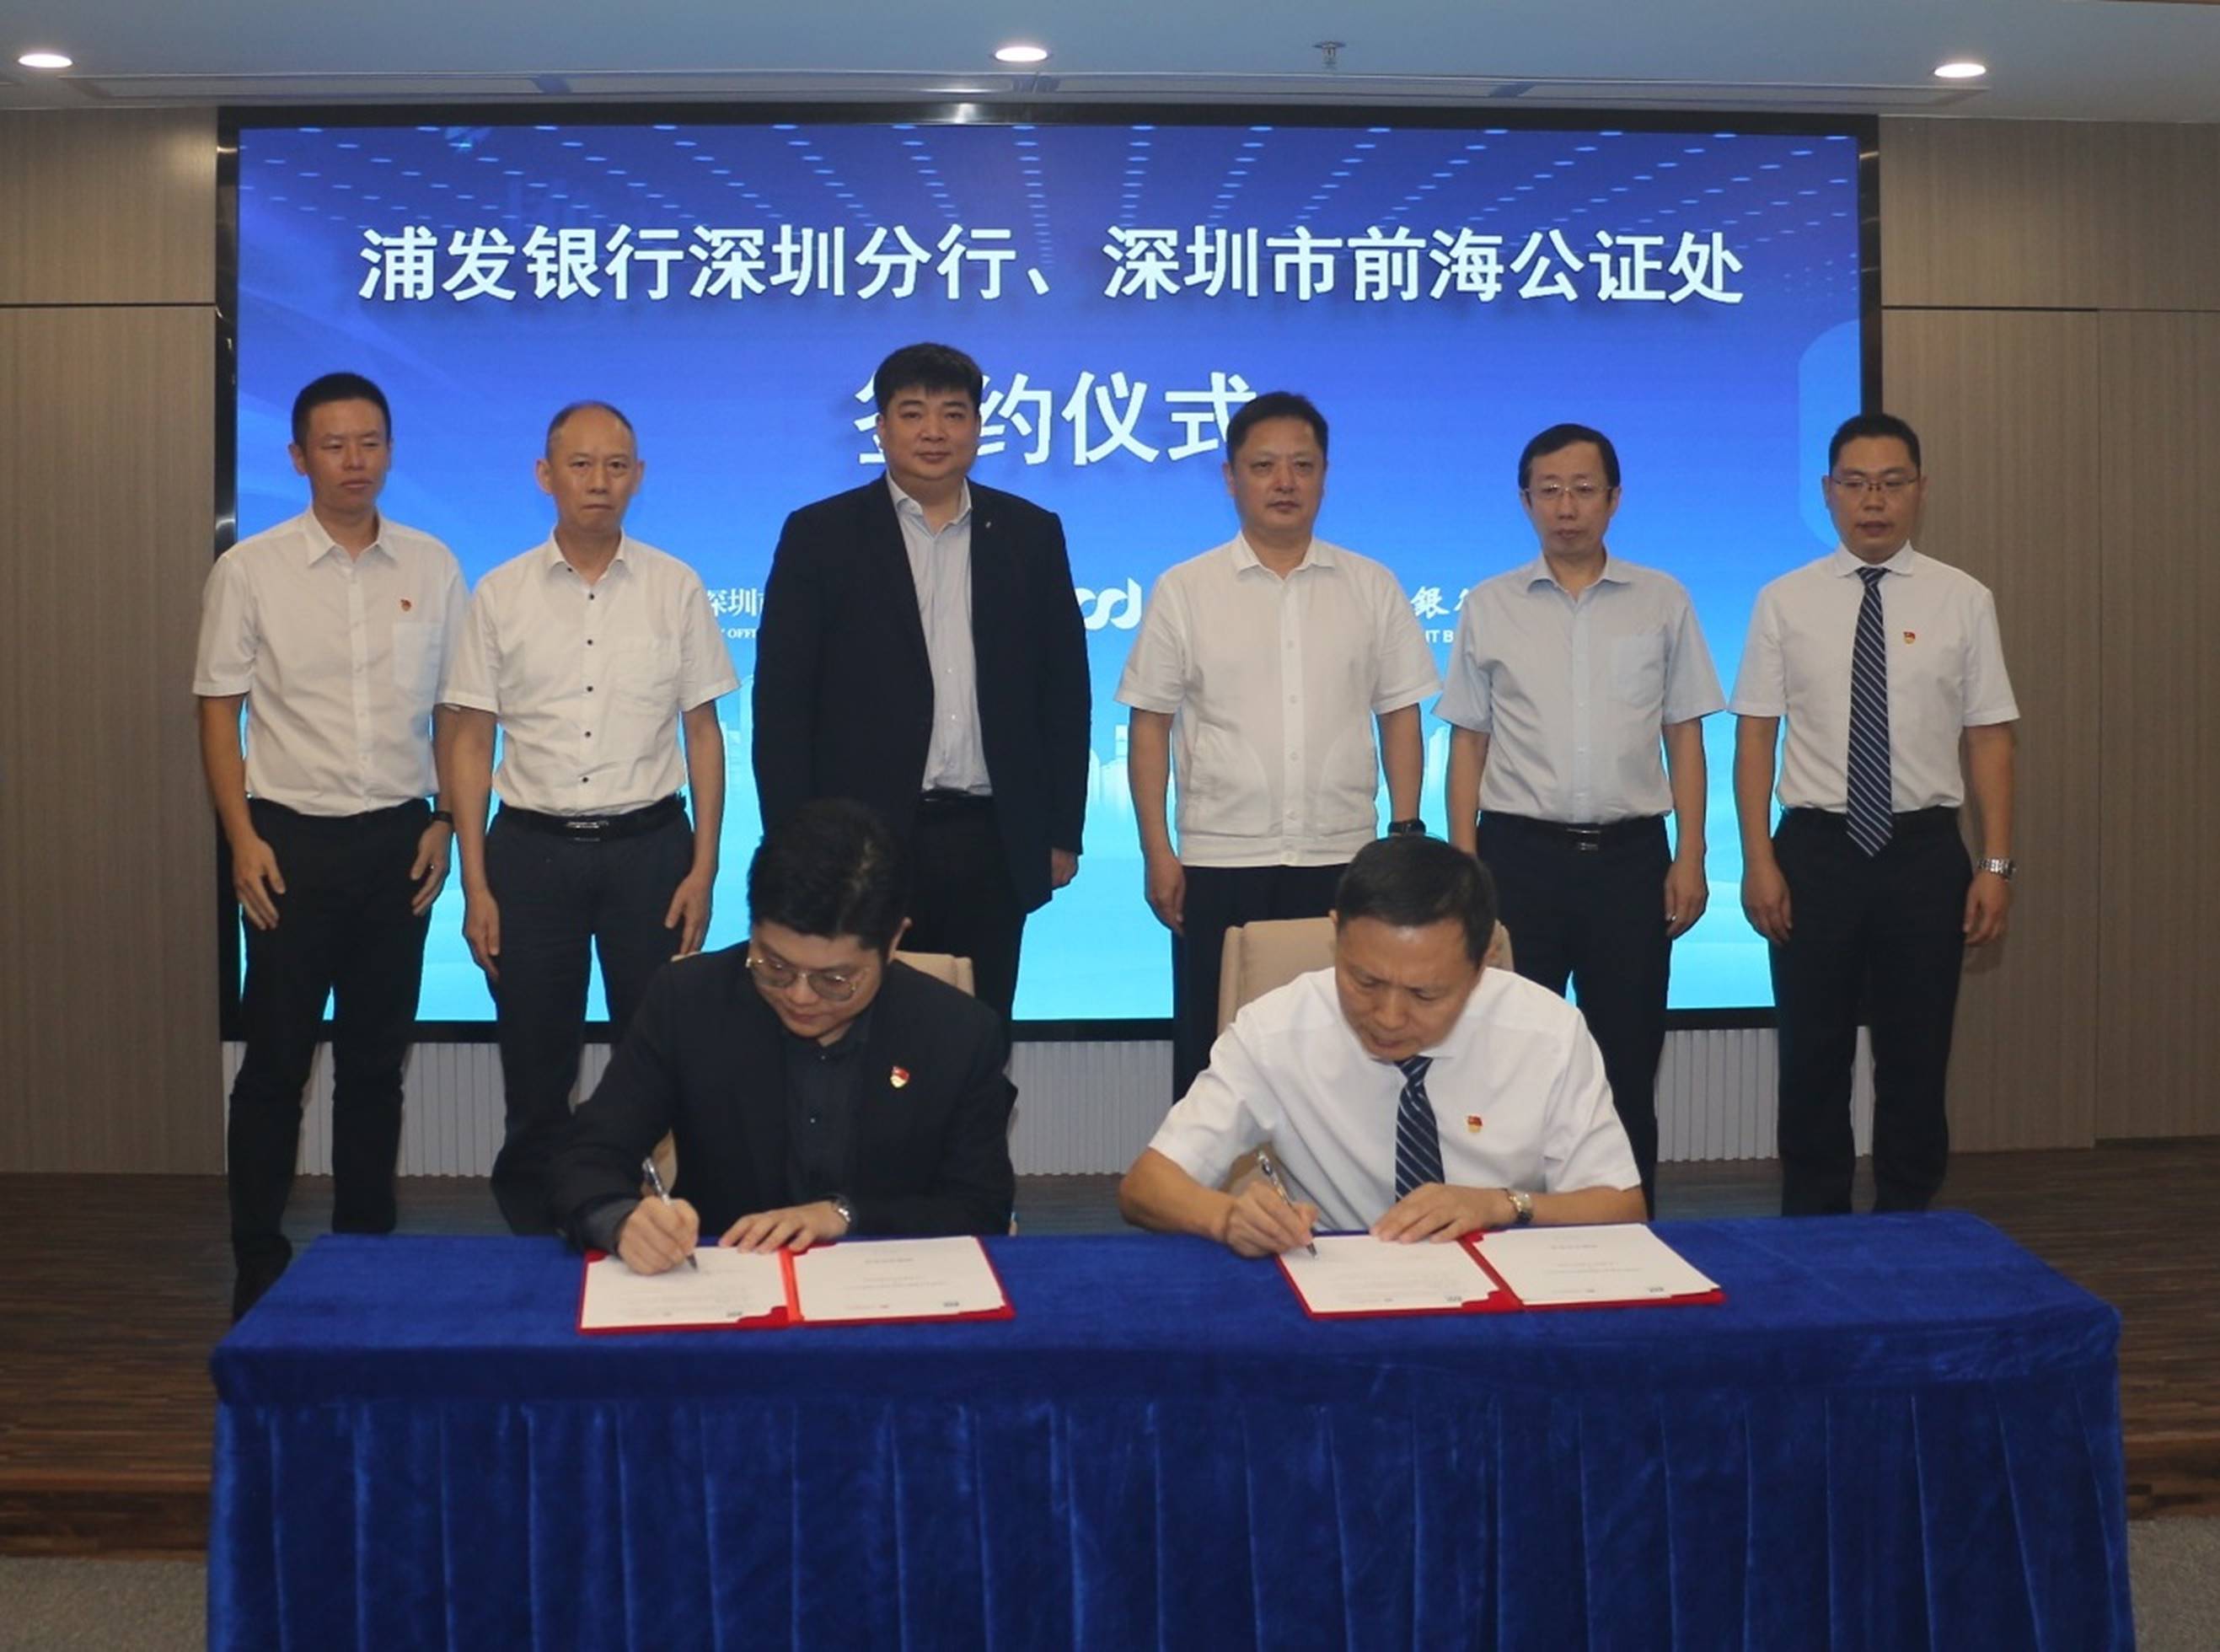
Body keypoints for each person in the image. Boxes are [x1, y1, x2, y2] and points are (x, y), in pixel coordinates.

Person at [194, 371, 468, 1317]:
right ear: (299, 456)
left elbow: (455, 710)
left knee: (375, 1068)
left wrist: (445, 820)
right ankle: (257, 1262)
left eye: (371, 442)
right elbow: (218, 710)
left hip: (399, 841)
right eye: (335, 445)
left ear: (390, 449)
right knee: (275, 1067)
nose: (356, 462)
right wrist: (240, 839)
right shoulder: (251, 569)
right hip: (287, 845)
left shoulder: (432, 564)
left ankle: (364, 1256)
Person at [438, 401, 738, 1234]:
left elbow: (704, 734)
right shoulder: (500, 593)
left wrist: (704, 868)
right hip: (529, 856)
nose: (599, 481)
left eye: (616, 465)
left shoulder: (676, 586)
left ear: (638, 476)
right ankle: (539, 1240)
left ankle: (659, 1228)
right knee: (536, 1069)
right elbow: (471, 740)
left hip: (652, 852)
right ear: (546, 475)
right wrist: (475, 884)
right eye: (580, 464)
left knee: (662, 1057)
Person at [752, 342, 1091, 1023]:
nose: (934, 432)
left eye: (953, 414)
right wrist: (797, 844)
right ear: (881, 427)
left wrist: (1060, 829)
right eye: (912, 413)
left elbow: (1063, 690)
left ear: (978, 427)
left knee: (978, 1031)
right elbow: (784, 705)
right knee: (860, 1033)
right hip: (862, 841)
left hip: (992, 836)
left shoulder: (1028, 534)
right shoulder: (821, 535)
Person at [1116, 391, 1440, 1101]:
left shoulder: (1371, 585)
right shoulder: (1186, 588)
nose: (1284, 482)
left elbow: (1400, 714)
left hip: (1342, 857)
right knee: (1216, 1056)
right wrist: (1158, 850)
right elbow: (1151, 725)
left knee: (1343, 1056)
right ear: (1231, 477)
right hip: (1219, 858)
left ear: (1325, 475)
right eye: (1264, 466)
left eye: (1302, 465)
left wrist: (1404, 834)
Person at [1731, 412, 2018, 1216]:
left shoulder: (1964, 599)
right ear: (1828, 492)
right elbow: (1754, 739)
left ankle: (1907, 1223)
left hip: (1923, 853)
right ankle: (1815, 1224)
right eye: (1856, 484)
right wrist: (1758, 860)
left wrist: (1995, 865)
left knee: (1917, 1056)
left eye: (1892, 483)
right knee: (1811, 1055)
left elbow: (1990, 738)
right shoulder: (1783, 600)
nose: (1874, 501)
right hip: (1815, 851)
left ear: (1921, 491)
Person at [1436, 423, 1724, 1215]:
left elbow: (1685, 736)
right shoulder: (1489, 604)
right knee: (1505, 1061)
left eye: (1584, 490)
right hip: (1517, 861)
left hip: (1632, 862)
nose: (1567, 507)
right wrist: (1466, 871)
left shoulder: (1662, 600)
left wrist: (1691, 856)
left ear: (1614, 499)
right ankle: (1504, 1222)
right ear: (1526, 500)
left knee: (1626, 1063)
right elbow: (1468, 744)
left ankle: (1626, 1229)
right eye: (1550, 491)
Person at [549, 798, 1017, 1272]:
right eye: (774, 966)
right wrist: (622, 1220)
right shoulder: (689, 1001)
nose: (800, 996)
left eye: (835, 979)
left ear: (893, 941)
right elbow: (586, 1156)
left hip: (888, 1289)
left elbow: (981, 1208)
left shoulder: (958, 1033)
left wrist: (844, 1216)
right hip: (725, 1285)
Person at [1118, 836, 1644, 1257]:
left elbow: (1623, 1208)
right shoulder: (1276, 1030)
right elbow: (1146, 1186)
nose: (1389, 1018)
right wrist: (1227, 1218)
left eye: (1425, 994)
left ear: (1483, 960)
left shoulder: (1547, 1033)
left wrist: (1500, 1205)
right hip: (1338, 1290)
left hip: (1503, 1286)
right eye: (1365, 981)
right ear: (1337, 934)